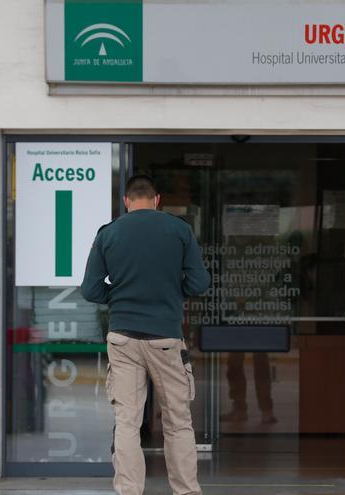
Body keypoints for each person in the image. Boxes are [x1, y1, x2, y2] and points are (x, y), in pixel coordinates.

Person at [82, 174, 210, 495]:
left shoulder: (108, 234)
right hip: (165, 339)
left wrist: (120, 296)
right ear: (156, 200)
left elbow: (90, 289)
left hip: (122, 338)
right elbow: (199, 283)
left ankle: (129, 491)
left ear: (126, 202)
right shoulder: (178, 230)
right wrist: (169, 292)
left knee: (127, 422)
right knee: (178, 422)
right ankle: (186, 492)